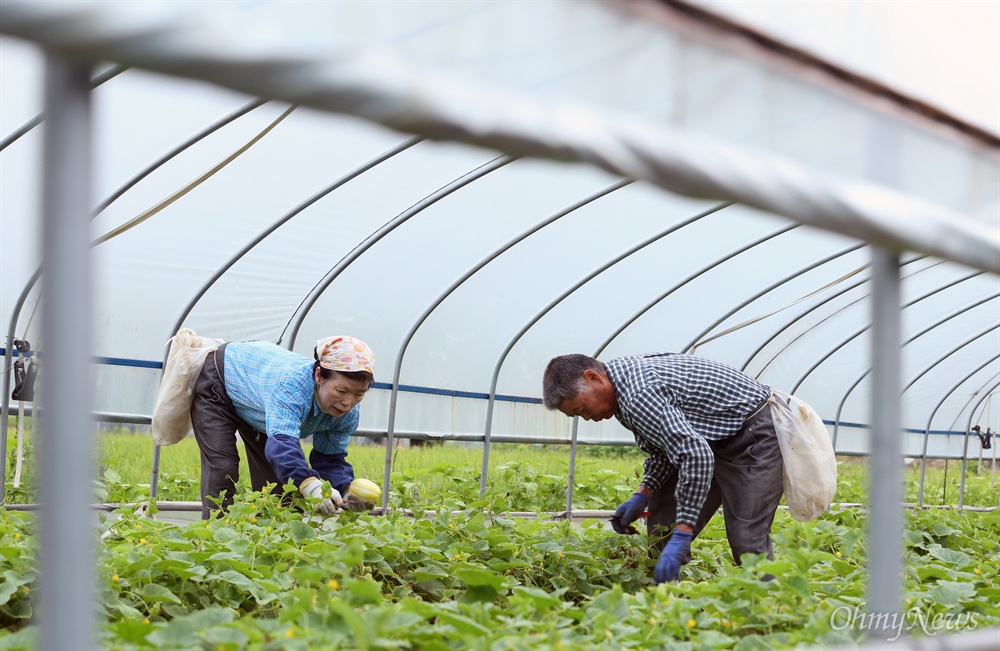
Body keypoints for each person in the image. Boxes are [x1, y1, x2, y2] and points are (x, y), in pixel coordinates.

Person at [542, 352, 783, 583]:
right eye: (577, 415)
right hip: (712, 435)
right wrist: (642, 493)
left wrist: (684, 529)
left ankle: (767, 608)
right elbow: (664, 449)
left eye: (582, 408)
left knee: (747, 535)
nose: (586, 418)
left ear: (593, 378)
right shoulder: (620, 395)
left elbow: (696, 455)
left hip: (753, 432)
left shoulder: (639, 393)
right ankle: (664, 599)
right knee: (663, 515)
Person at [190, 335, 375, 519]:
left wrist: (346, 491)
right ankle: (216, 536)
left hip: (260, 398)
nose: (347, 403)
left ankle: (273, 542)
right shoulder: (291, 387)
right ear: (319, 376)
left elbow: (330, 458)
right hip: (221, 378)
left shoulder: (348, 414)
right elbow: (282, 444)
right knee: (223, 468)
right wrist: (310, 484)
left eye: (359, 394)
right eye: (341, 391)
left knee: (282, 494)